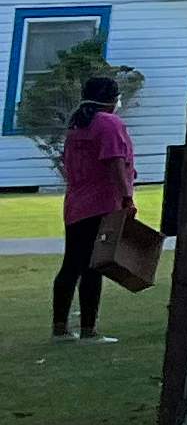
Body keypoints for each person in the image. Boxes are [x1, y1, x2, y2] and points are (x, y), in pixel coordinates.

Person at [51, 74, 135, 345]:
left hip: (76, 203)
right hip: (101, 203)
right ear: (111, 99)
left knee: (72, 264)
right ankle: (88, 330)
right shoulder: (109, 123)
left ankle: (60, 328)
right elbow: (114, 163)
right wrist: (126, 197)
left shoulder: (77, 125)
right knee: (93, 266)